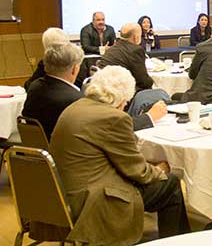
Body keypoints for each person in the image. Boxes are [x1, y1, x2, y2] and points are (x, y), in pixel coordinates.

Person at [50, 66, 190, 245]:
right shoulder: (113, 117)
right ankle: (177, 242)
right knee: (170, 183)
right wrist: (160, 169)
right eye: (126, 102)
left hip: (63, 195)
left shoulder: (74, 108)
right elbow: (138, 172)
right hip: (93, 202)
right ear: (121, 99)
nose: (124, 107)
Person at [22, 43, 83, 140]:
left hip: (36, 146)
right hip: (63, 151)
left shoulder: (34, 86)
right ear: (75, 69)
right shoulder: (75, 99)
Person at [98, 23, 154, 92]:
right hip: (118, 92)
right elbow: (143, 81)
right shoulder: (135, 50)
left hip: (102, 87)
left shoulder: (112, 48)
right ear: (136, 37)